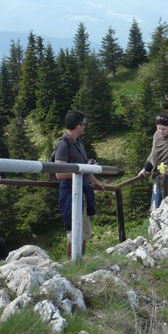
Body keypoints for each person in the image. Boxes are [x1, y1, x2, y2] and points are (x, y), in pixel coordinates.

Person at [54, 110, 104, 259]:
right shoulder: (63, 144)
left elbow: (82, 166)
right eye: (84, 124)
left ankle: (79, 263)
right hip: (70, 193)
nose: (84, 127)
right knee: (73, 233)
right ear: (78, 126)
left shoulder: (78, 142)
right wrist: (82, 171)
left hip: (82, 191)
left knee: (82, 233)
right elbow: (59, 173)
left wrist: (94, 180)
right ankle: (72, 264)